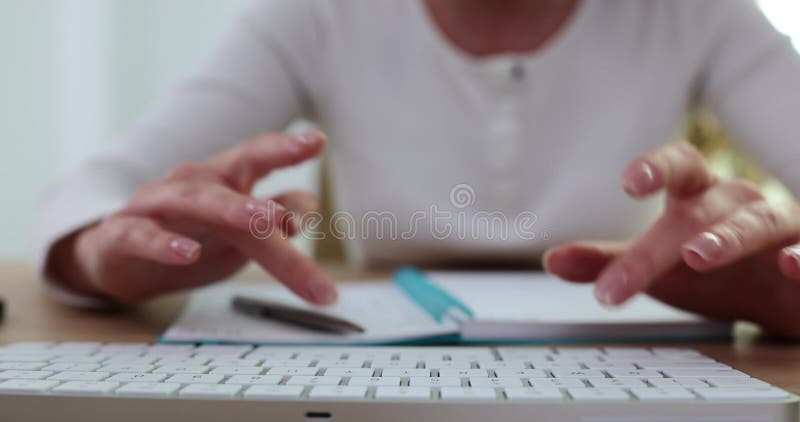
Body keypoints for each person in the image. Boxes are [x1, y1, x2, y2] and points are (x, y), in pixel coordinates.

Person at [37, 0, 800, 337]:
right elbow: (89, 196)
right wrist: (110, 254)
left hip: (623, 366)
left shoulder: (698, 12)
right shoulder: (318, 14)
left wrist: (786, 291)